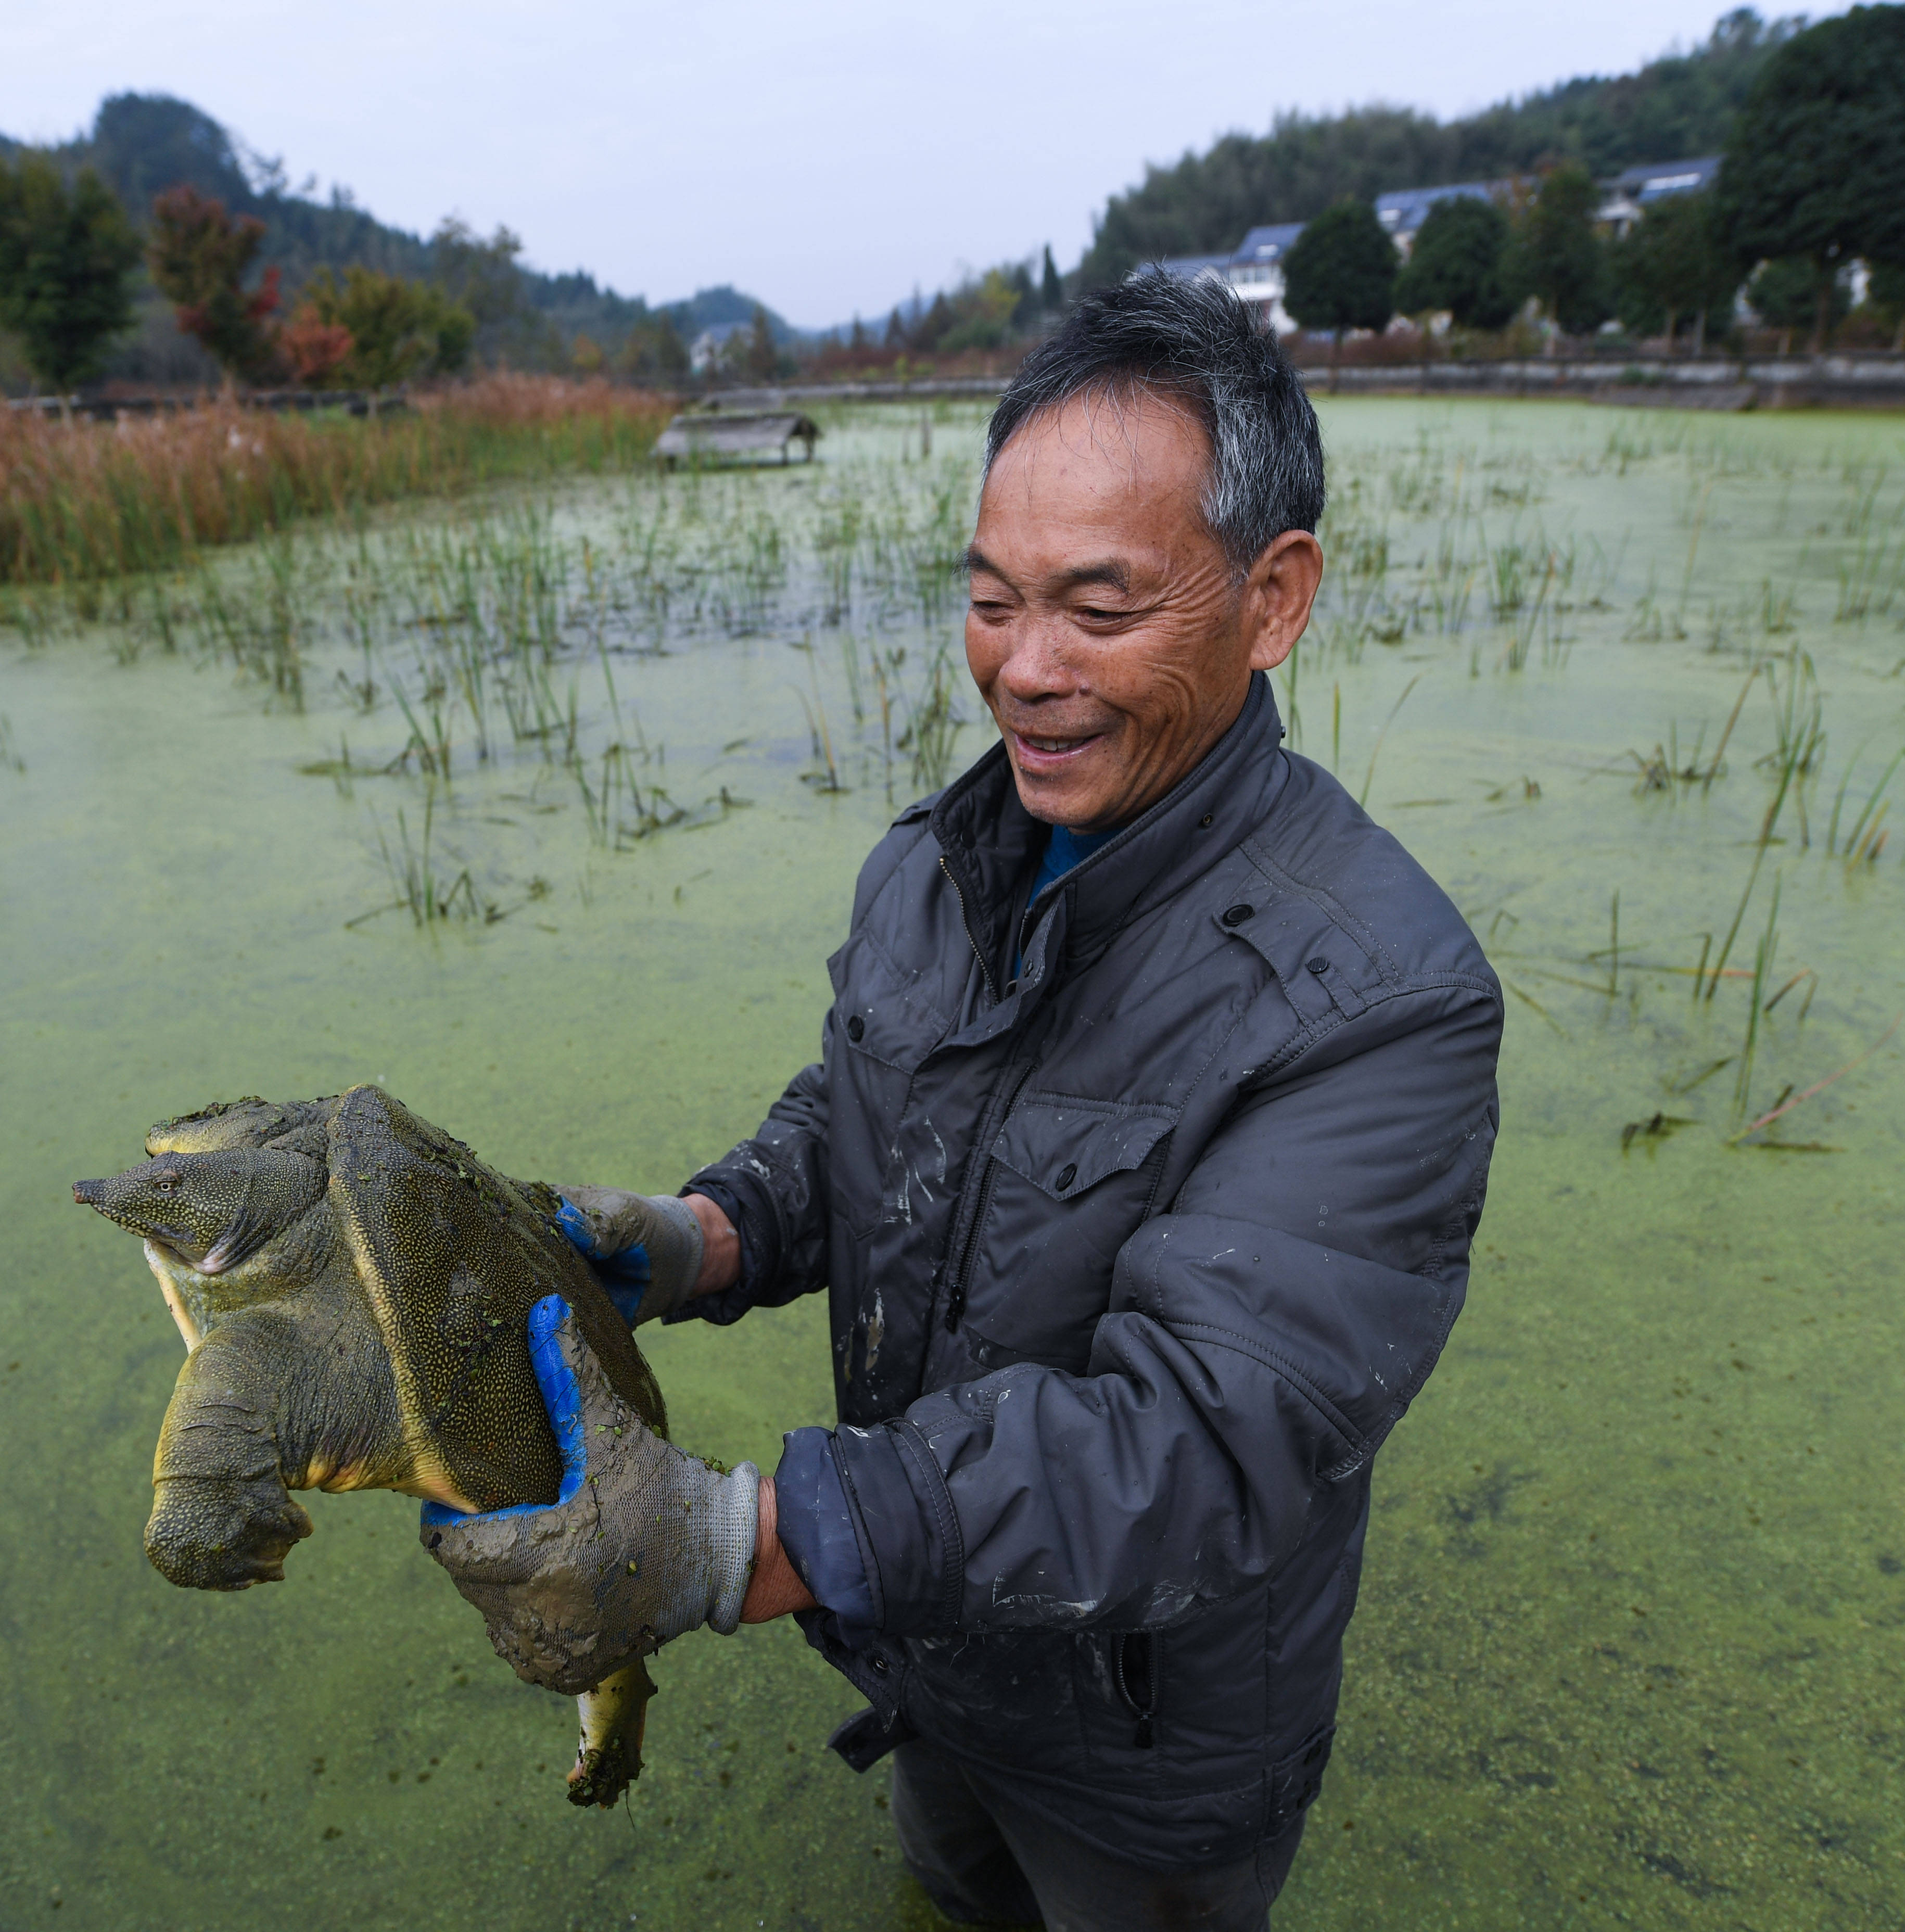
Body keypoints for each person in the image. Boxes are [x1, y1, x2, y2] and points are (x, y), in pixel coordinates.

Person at [421, 273, 1502, 1931]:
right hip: (925, 1651)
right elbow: (871, 1112)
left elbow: (1203, 1439)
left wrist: (745, 1542)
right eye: (991, 601)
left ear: (1273, 599)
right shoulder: (938, 867)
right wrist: (703, 1236)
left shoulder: (1380, 999)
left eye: (1100, 606)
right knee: (942, 1887)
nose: (1026, 671)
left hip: (1147, 1746)